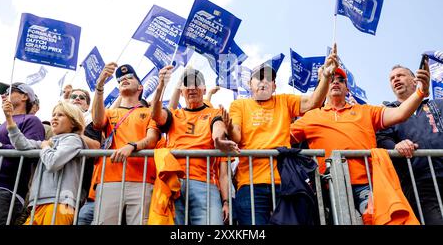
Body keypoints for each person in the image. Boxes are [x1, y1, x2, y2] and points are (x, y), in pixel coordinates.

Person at [291, 62, 431, 219]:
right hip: (329, 186)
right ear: (323, 87)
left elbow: (400, 113)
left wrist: (420, 92)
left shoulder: (366, 111)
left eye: (340, 79)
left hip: (367, 185)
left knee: (378, 221)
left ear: (347, 88)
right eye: (331, 79)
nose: (335, 82)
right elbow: (282, 137)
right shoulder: (310, 117)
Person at [228, 44, 338, 225]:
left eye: (268, 79)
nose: (263, 82)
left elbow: (313, 102)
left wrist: (325, 77)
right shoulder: (239, 105)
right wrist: (229, 126)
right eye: (258, 78)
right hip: (250, 184)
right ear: (250, 84)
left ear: (274, 86)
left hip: (285, 181)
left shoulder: (284, 101)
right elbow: (236, 136)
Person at [151, 66, 236, 225]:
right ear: (181, 90)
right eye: (187, 84)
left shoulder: (214, 113)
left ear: (204, 90)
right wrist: (160, 86)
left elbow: (217, 128)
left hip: (204, 184)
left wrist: (218, 140)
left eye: (196, 83)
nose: (192, 88)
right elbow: (155, 115)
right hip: (173, 183)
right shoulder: (174, 114)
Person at [91, 63, 161, 225]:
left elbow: (152, 139)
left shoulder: (150, 112)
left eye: (130, 77)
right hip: (108, 180)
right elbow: (96, 121)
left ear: (140, 87)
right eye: (121, 79)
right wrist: (100, 86)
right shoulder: (109, 112)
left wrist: (132, 146)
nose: (124, 79)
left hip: (142, 180)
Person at [376, 64, 443, 224]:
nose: (396, 79)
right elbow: (381, 138)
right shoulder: (386, 112)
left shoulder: (438, 104)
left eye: (400, 75)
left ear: (415, 81)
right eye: (392, 78)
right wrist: (395, 147)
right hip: (418, 182)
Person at [2, 100, 87, 225]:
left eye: (60, 115)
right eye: (54, 115)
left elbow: (53, 162)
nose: (54, 118)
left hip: (61, 203)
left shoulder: (73, 140)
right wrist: (9, 118)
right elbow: (22, 144)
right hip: (38, 203)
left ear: (73, 122)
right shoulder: (48, 141)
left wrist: (45, 147)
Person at [0, 82, 45, 225]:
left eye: (9, 91)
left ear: (24, 96)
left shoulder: (32, 120)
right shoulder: (1, 125)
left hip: (6, 189)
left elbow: (31, 151)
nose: (4, 95)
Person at [67, 88, 102, 225]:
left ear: (87, 105)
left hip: (78, 183)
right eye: (74, 96)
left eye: (82, 98)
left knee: (70, 219)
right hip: (54, 183)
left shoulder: (91, 123)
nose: (77, 99)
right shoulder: (56, 120)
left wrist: (74, 134)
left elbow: (96, 146)